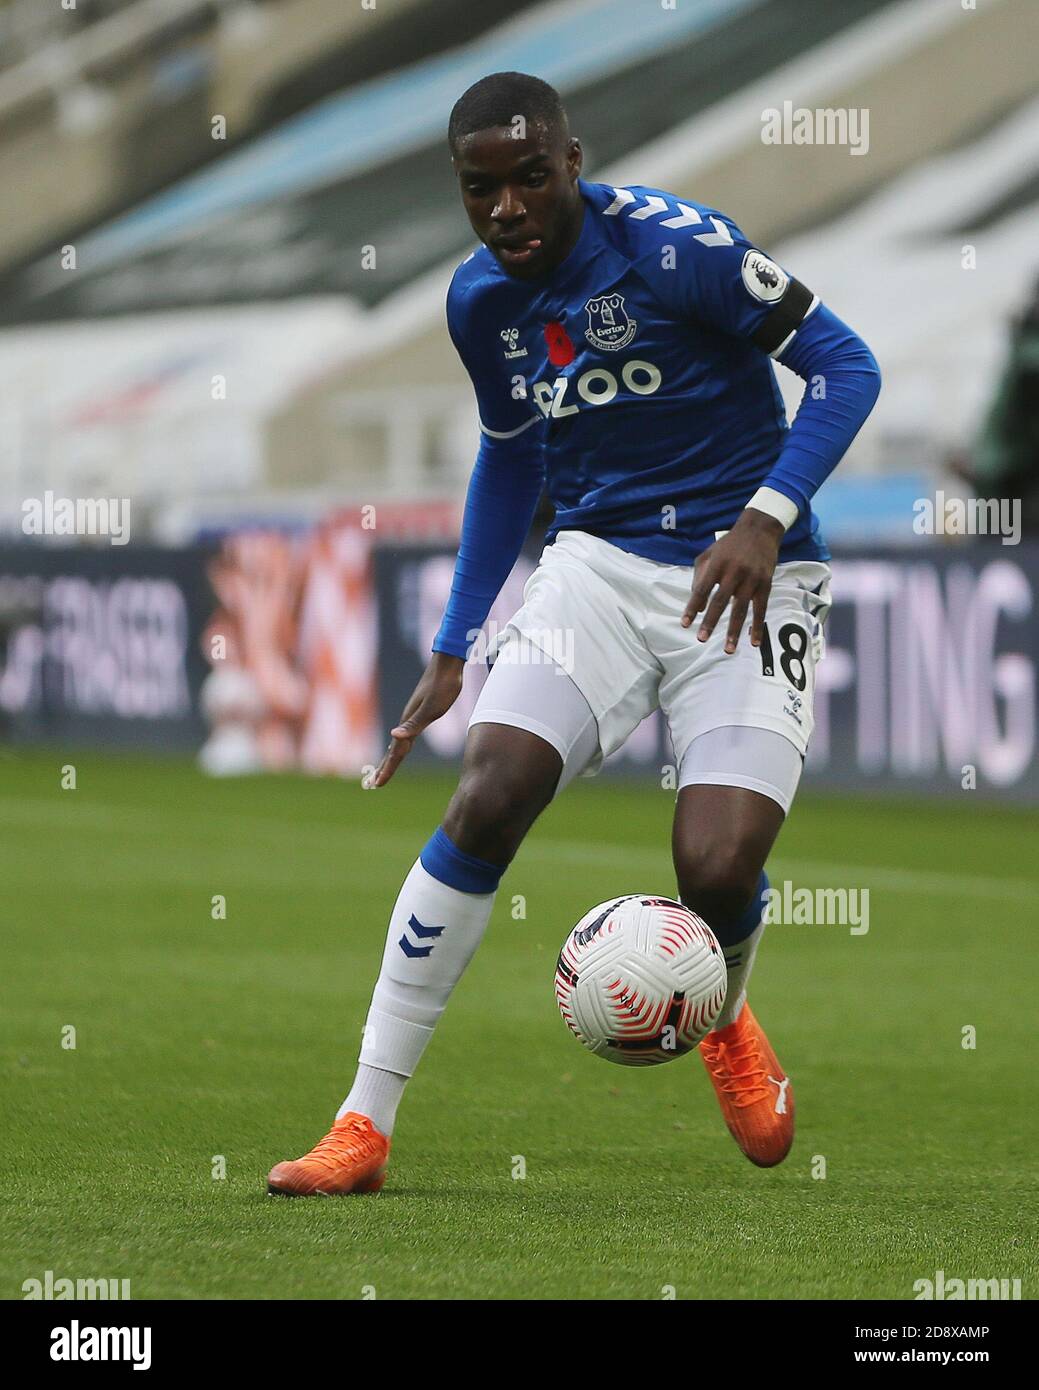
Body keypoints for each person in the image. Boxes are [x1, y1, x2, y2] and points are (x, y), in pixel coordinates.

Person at [267, 72, 881, 1196]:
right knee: (488, 789)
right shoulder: (478, 303)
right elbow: (511, 453)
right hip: (596, 568)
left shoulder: (677, 252)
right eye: (479, 189)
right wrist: (455, 645)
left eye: (528, 178)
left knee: (716, 861)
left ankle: (725, 1015)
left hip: (742, 575)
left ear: (573, 163)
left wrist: (763, 517)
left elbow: (848, 368)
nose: (506, 207)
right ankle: (362, 1123)